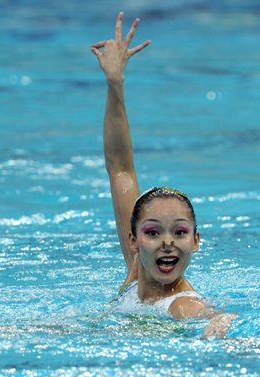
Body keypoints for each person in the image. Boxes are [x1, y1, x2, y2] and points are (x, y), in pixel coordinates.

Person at [91, 12, 234, 336]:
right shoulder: (136, 267)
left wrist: (218, 323)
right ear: (134, 241)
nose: (167, 242)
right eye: (153, 232)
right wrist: (115, 83)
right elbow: (120, 168)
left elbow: (214, 315)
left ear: (196, 241)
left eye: (180, 232)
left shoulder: (180, 304)